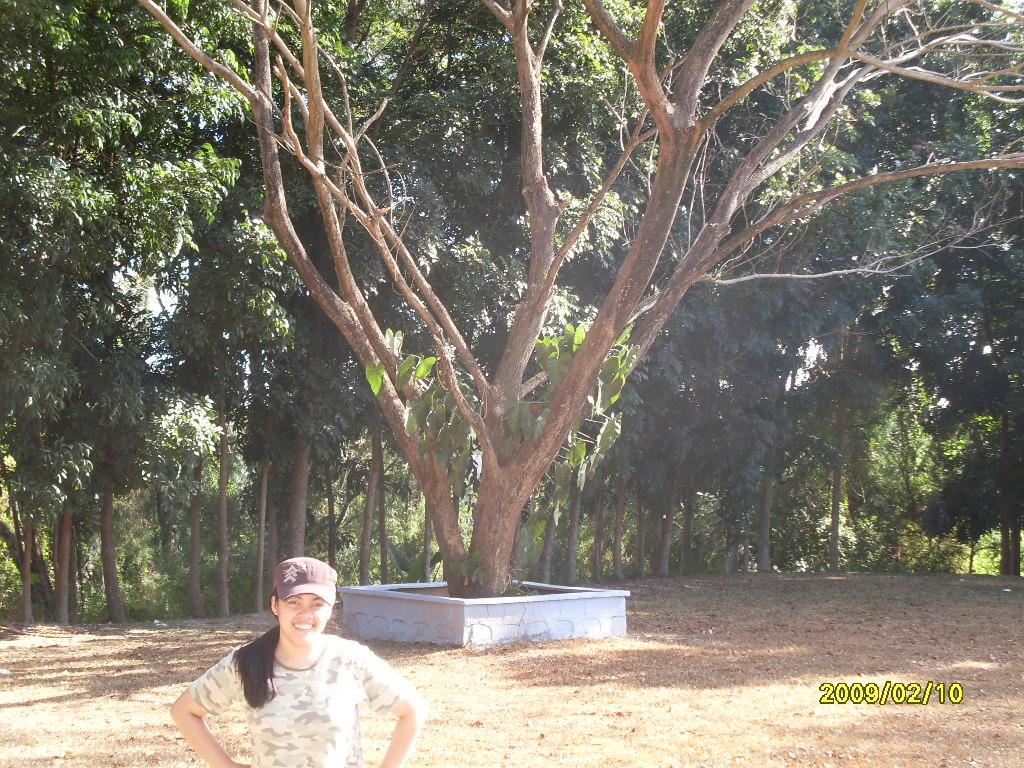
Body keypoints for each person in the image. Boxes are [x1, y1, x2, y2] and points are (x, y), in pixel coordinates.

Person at [170, 556, 426, 768]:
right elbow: (184, 711)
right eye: (293, 602)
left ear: (331, 608)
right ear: (275, 605)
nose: (305, 614)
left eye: (317, 603)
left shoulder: (351, 660)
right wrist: (227, 766)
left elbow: (412, 711)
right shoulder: (246, 662)